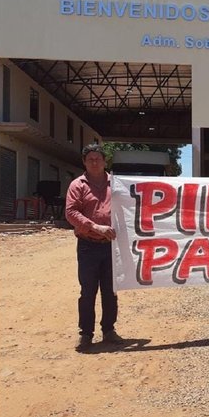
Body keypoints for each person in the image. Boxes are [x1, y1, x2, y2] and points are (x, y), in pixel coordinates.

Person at [65, 144, 124, 352]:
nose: (95, 162)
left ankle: (109, 330)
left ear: (104, 161)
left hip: (111, 246)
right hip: (88, 246)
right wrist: (94, 226)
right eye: (90, 159)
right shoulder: (77, 185)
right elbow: (71, 212)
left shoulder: (117, 184)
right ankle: (86, 334)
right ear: (84, 162)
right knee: (88, 291)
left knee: (110, 291)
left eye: (98, 158)